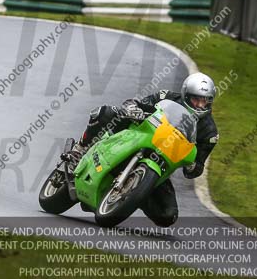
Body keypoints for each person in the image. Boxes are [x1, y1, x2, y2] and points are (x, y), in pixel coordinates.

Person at [64, 73, 219, 227]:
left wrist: (192, 166)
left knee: (167, 215)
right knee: (107, 113)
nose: (200, 105)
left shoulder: (209, 133)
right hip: (138, 135)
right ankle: (80, 149)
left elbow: (197, 168)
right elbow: (137, 102)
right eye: (196, 99)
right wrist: (133, 108)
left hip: (160, 163)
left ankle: (134, 192)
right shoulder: (167, 97)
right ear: (186, 95)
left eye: (205, 101)